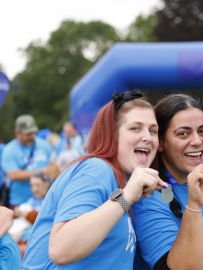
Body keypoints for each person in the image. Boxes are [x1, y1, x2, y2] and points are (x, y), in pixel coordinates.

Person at [22, 90, 167, 268]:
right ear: (111, 135)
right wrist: (126, 197)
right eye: (135, 128)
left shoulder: (119, 181)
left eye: (153, 130)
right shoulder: (97, 168)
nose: (147, 137)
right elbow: (60, 250)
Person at [132, 93, 203, 270]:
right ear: (160, 142)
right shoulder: (147, 197)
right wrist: (194, 205)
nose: (197, 141)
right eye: (183, 133)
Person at [1, 114, 54, 209]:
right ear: (17, 133)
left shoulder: (44, 145)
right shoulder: (9, 150)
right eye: (28, 133)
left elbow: (54, 163)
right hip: (18, 203)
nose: (32, 136)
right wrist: (40, 172)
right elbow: (13, 175)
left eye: (34, 132)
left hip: (43, 202)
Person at [9, 173, 52, 257]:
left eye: (37, 185)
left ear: (46, 184)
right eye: (32, 186)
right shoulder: (32, 199)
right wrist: (17, 213)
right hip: (18, 238)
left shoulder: (49, 201)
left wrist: (27, 214)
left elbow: (44, 217)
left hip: (32, 242)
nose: (34, 189)